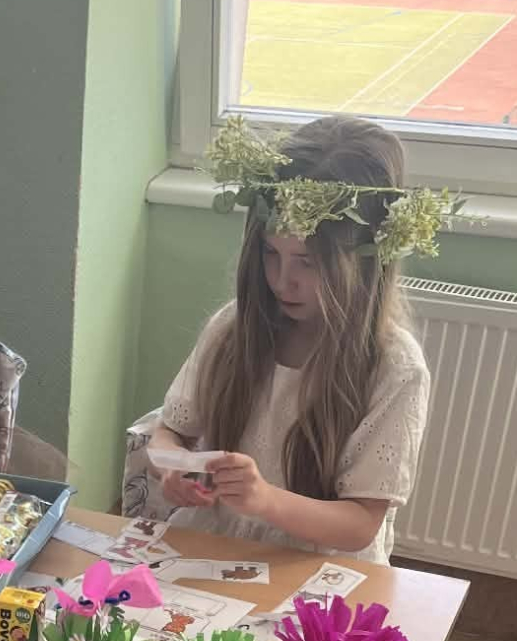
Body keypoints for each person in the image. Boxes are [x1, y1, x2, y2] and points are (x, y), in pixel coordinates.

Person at [148, 115, 436, 566]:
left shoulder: (394, 368)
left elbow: (360, 524)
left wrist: (265, 500)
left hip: (318, 568)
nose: (283, 281)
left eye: (308, 261)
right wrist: (175, 468)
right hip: (219, 548)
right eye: (271, 253)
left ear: (366, 261)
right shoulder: (234, 328)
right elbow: (169, 431)